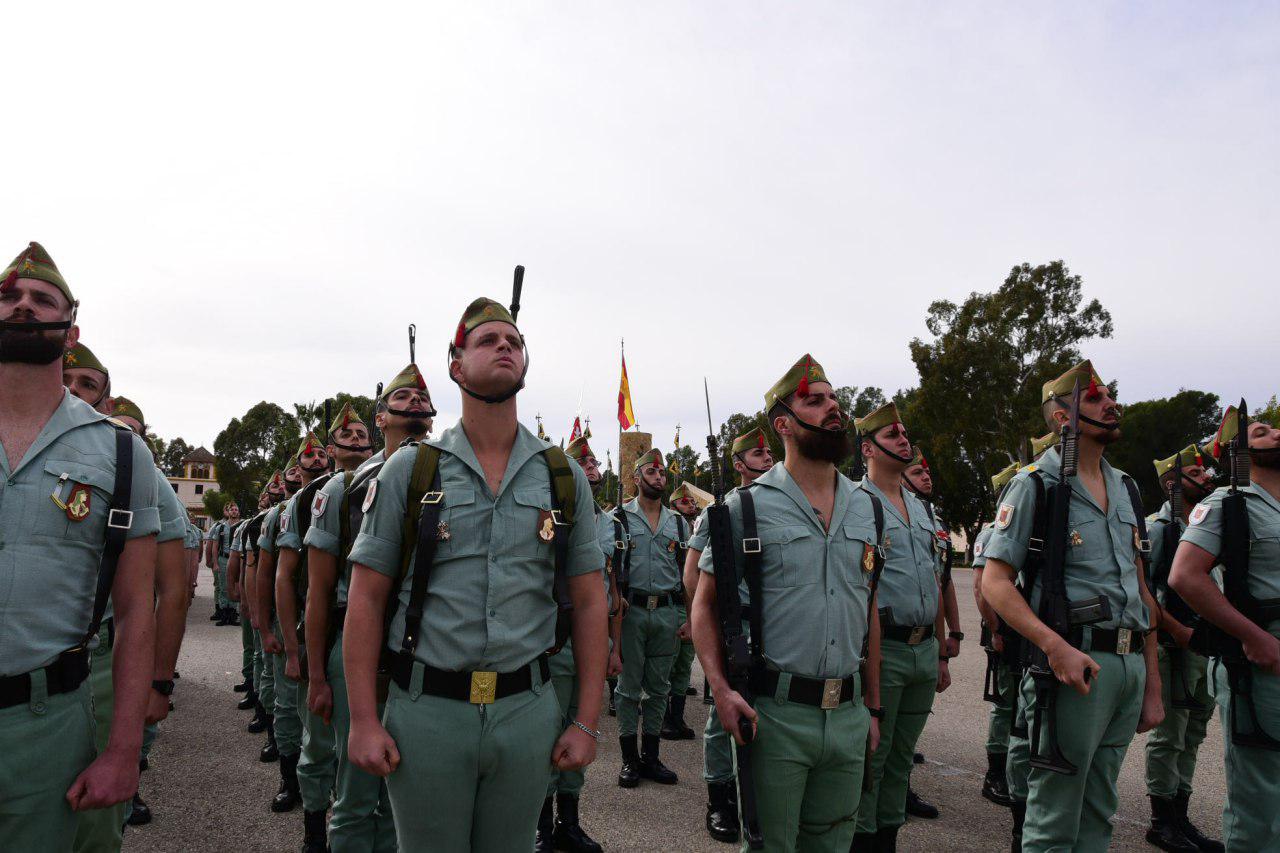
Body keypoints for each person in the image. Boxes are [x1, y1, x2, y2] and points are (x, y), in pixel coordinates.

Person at [344, 295, 608, 852]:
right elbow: (365, 599)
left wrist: (586, 720)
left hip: (526, 711)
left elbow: (589, 602)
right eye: (488, 340)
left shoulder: (561, 476)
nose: (505, 347)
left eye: (514, 342)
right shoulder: (411, 469)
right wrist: (363, 719)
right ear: (456, 365)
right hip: (428, 711)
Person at [0, 242, 160, 851]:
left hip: (45, 724)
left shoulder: (120, 451)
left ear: (71, 331)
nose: (23, 306)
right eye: (9, 296)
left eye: (43, 299)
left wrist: (123, 750)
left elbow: (136, 611)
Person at [691, 354, 883, 852]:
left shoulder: (868, 507)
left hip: (848, 714)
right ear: (784, 425)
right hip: (775, 717)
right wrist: (721, 690)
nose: (833, 407)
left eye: (834, 398)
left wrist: (873, 708)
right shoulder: (747, 507)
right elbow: (704, 606)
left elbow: (869, 611)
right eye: (815, 401)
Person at [981, 360, 1163, 853]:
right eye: (1095, 398)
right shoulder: (1035, 484)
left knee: (1099, 812)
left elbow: (1141, 592)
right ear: (1063, 417)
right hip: (1073, 664)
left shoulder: (1125, 486)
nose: (1111, 404)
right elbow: (995, 583)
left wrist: (1151, 680)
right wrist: (1052, 646)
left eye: (1110, 395)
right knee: (1054, 819)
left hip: (1126, 666)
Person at [306, 382, 431, 853]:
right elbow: (319, 591)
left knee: (405, 791)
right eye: (403, 397)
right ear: (381, 417)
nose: (415, 403)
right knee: (357, 790)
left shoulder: (450, 476)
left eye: (422, 398)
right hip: (361, 646)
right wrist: (317, 675)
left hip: (422, 651)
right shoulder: (343, 489)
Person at [1170, 408, 1280, 851]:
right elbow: (1184, 576)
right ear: (1238, 452)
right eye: (1262, 431)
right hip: (1262, 667)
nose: (1276, 433)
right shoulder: (1227, 504)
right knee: (1260, 804)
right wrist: (1254, 637)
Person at [853, 403, 949, 850]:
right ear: (868, 449)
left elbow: (935, 578)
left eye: (905, 433)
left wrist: (942, 649)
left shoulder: (921, 508)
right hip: (884, 649)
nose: (904, 440)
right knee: (872, 757)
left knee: (901, 760)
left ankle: (887, 836)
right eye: (892, 435)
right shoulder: (855, 503)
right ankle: (861, 838)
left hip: (922, 650)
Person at [683, 425, 774, 844]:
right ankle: (719, 799)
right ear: (738, 464)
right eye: (758, 454)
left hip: (772, 627)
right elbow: (692, 574)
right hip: (737, 625)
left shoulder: (782, 505)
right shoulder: (722, 511)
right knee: (722, 717)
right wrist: (713, 620)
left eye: (769, 453)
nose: (767, 458)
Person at [1140, 444, 1222, 853]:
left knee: (1193, 734)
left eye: (1205, 472)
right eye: (1196, 473)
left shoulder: (1208, 522)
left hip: (1204, 645)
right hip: (1173, 645)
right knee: (1169, 736)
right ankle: (1162, 822)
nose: (1206, 478)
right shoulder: (1158, 528)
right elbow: (1144, 591)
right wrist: (1176, 630)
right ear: (1173, 483)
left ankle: (1181, 815)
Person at [263, 437, 330, 814]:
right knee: (292, 706)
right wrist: (269, 630)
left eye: (321, 454)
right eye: (309, 456)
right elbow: (272, 576)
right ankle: (291, 782)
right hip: (304, 618)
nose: (317, 460)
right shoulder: (290, 510)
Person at [613, 448, 685, 788]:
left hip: (667, 612)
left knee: (659, 688)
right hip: (632, 612)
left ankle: (651, 756)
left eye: (662, 473)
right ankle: (629, 759)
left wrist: (687, 616)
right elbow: (609, 570)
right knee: (628, 688)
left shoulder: (679, 523)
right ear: (636, 478)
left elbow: (688, 573)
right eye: (651, 472)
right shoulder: (619, 519)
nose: (658, 477)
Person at [662, 480, 703, 742]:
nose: (691, 505)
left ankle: (677, 717)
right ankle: (664, 718)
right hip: (672, 602)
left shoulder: (695, 527)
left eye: (692, 502)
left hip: (689, 603)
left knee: (684, 664)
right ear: (674, 504)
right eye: (685, 502)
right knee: (667, 664)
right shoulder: (670, 525)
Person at [206, 501, 242, 625]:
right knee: (223, 586)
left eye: (236, 510)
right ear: (228, 512)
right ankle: (223, 613)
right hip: (223, 559)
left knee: (235, 586)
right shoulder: (220, 527)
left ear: (239, 512)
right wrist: (215, 563)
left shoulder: (242, 526)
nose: (234, 512)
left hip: (236, 559)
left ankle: (233, 613)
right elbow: (215, 547)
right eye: (232, 509)